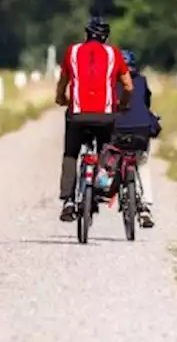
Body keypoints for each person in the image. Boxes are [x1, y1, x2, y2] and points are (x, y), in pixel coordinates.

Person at [54, 15, 133, 222]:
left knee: (71, 153)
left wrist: (60, 98)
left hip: (77, 115)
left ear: (86, 33)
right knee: (105, 149)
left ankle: (69, 200)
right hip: (105, 116)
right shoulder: (113, 53)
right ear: (106, 37)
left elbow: (63, 81)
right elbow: (128, 86)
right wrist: (123, 104)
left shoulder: (72, 51)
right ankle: (100, 187)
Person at [110, 49, 160, 228]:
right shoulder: (142, 81)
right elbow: (146, 104)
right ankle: (145, 206)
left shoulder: (110, 82)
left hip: (116, 130)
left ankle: (111, 186)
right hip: (140, 131)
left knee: (112, 156)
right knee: (142, 164)